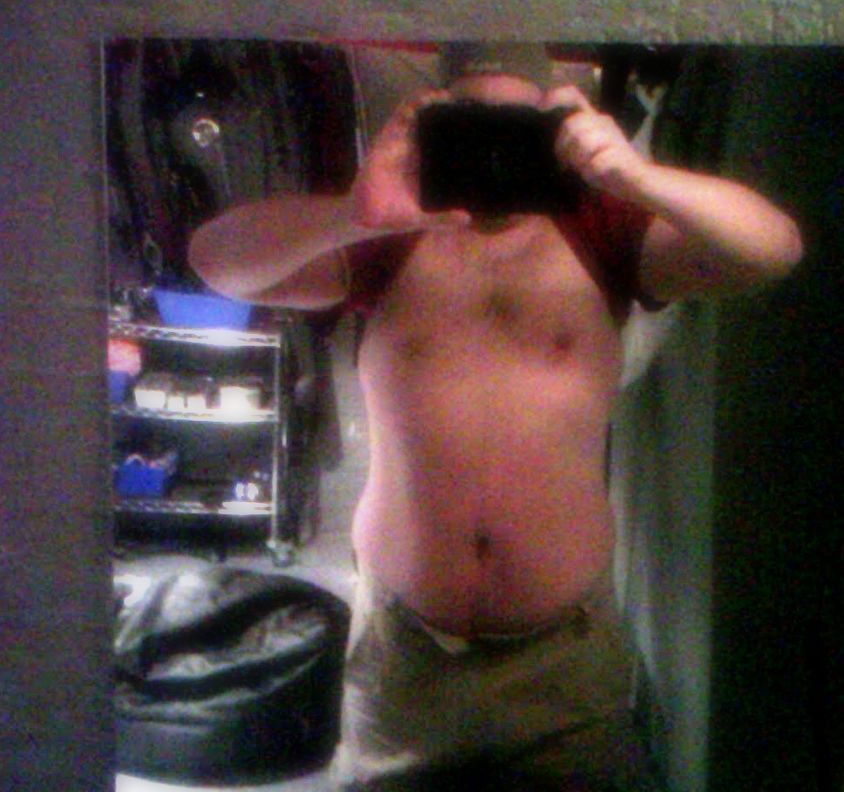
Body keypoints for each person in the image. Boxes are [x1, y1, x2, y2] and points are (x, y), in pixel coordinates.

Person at [189, 42, 802, 791]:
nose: (493, 153)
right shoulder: (388, 234)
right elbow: (214, 262)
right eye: (469, 126)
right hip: (403, 663)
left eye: (519, 131)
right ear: (431, 127)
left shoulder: (603, 227)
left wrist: (634, 177)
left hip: (565, 671)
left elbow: (773, 250)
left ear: (558, 128)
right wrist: (352, 214)